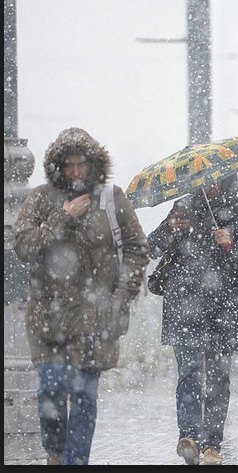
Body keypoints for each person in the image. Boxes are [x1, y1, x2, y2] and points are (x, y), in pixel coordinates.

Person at [13, 127, 150, 465]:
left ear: (93, 165)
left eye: (81, 165)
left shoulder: (111, 198)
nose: (76, 172)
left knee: (84, 396)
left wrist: (120, 296)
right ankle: (55, 452)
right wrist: (63, 216)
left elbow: (136, 248)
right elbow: (23, 246)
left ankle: (77, 463)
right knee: (51, 389)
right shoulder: (42, 199)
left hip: (95, 319)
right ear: (58, 166)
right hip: (48, 321)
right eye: (69, 165)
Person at [146, 173, 238, 465]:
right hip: (183, 307)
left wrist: (230, 244)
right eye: (205, 181)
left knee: (218, 379)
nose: (211, 186)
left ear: (228, 180)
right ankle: (189, 437)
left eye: (217, 180)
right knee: (189, 372)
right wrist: (171, 227)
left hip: (224, 309)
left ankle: (212, 445)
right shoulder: (183, 208)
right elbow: (152, 247)